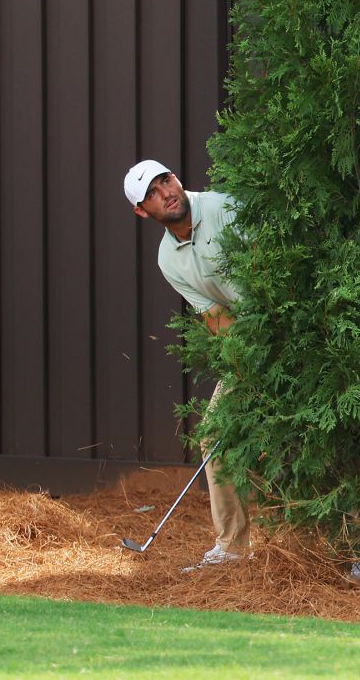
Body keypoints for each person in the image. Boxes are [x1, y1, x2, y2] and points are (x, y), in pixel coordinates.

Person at [124, 159, 250, 570]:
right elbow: (214, 315)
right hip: (252, 347)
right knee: (215, 433)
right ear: (142, 211)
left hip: (297, 326)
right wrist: (249, 360)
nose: (167, 192)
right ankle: (232, 548)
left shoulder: (222, 207)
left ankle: (359, 549)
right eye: (154, 193)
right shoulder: (168, 260)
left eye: (167, 180)